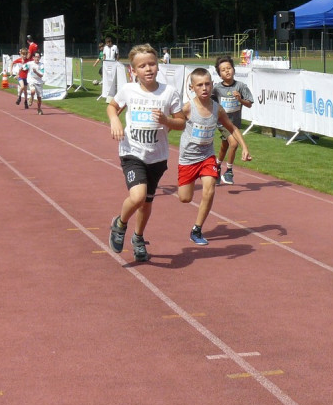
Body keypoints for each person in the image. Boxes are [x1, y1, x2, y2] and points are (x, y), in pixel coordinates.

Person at [107, 44, 185, 263]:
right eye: (142, 66)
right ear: (134, 71)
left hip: (157, 157)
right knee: (138, 196)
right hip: (132, 153)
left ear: (158, 66)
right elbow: (112, 106)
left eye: (152, 64)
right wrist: (114, 120)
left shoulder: (168, 93)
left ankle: (138, 238)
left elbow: (181, 123)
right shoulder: (128, 90)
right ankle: (119, 224)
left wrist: (166, 120)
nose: (148, 69)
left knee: (147, 202)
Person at [177, 68, 251, 245]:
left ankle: (197, 229)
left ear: (212, 85)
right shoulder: (188, 108)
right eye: (200, 85)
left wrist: (244, 147)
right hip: (187, 158)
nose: (205, 88)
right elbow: (173, 124)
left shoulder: (217, 109)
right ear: (192, 87)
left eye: (208, 84)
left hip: (207, 156)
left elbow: (232, 127)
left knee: (210, 188)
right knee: (185, 198)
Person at [213, 55, 254, 185]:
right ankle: (229, 171)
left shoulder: (241, 86)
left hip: (235, 122)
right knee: (234, 144)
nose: (227, 71)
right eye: (223, 70)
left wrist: (240, 100)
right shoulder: (217, 89)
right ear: (219, 74)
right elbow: (210, 102)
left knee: (225, 146)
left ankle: (217, 167)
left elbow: (249, 104)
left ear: (234, 70)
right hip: (223, 123)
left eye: (229, 68)